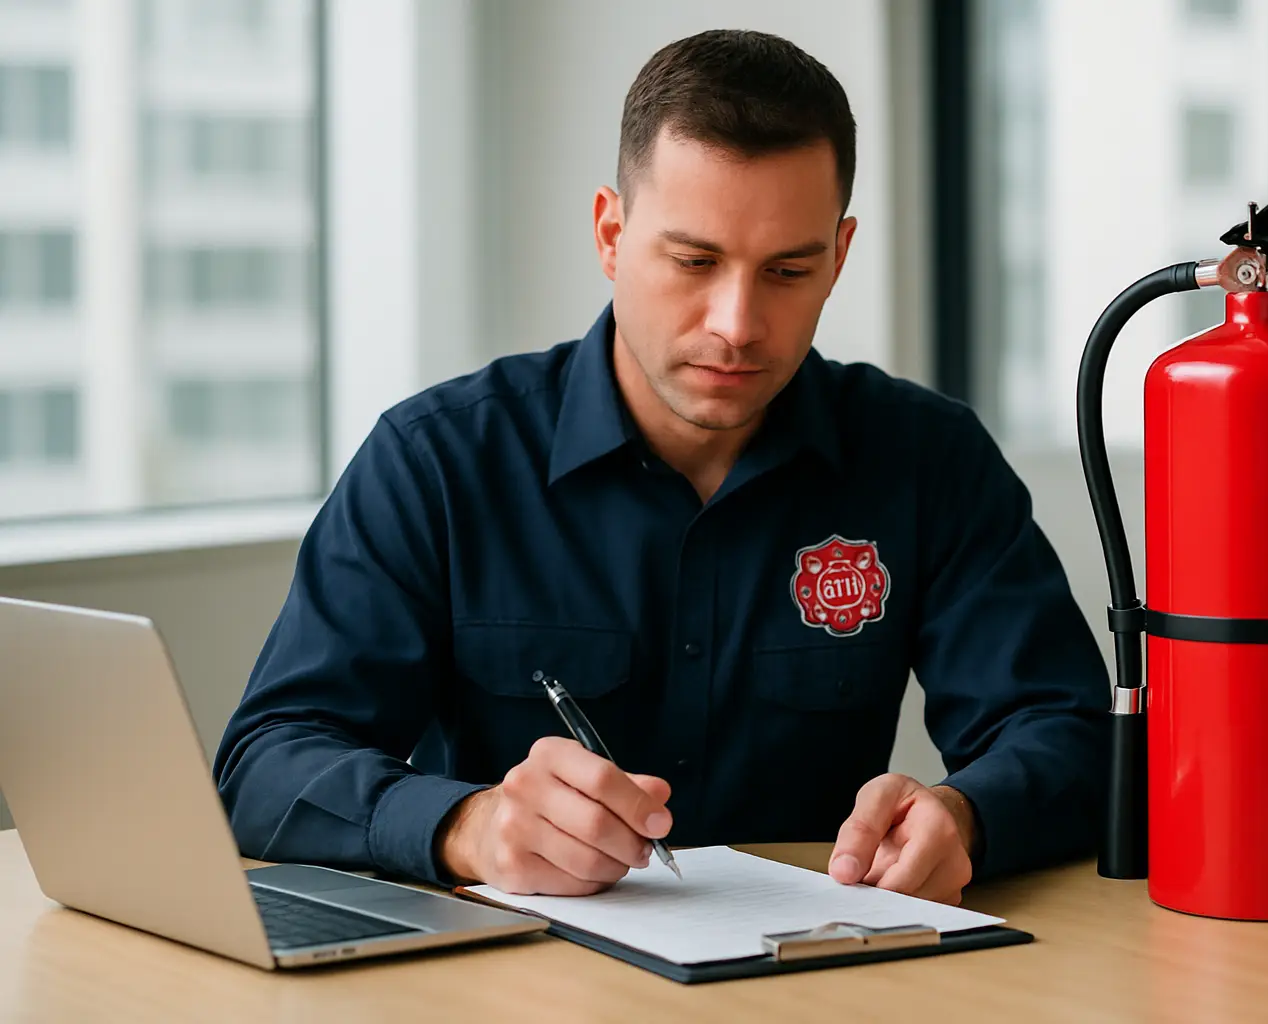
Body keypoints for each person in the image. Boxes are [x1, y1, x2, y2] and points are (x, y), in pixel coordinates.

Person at [214, 28, 1108, 907]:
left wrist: (967, 816)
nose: (736, 322)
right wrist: (467, 826)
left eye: (788, 271)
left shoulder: (928, 461)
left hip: (820, 981)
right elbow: (266, 761)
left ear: (838, 256)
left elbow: (1069, 734)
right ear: (611, 234)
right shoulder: (438, 461)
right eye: (693, 261)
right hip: (510, 988)